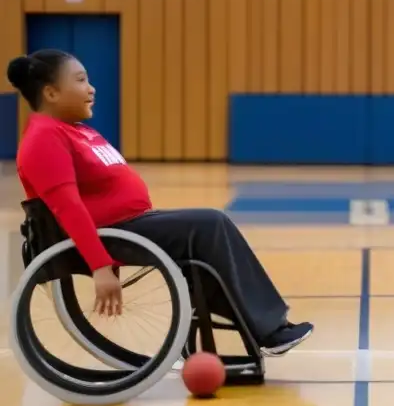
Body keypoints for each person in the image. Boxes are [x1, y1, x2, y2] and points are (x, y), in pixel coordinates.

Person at [8, 49, 314, 355]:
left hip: (128, 227)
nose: (92, 88)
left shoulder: (75, 131)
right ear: (51, 92)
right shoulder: (44, 139)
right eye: (80, 80)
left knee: (210, 228)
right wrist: (100, 265)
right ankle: (269, 330)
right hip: (114, 234)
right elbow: (68, 207)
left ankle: (257, 324)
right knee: (209, 224)